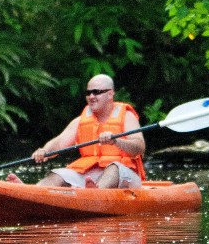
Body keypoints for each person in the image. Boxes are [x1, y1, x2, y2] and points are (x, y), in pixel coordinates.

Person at [8, 74, 146, 189]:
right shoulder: (81, 120)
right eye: (88, 93)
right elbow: (59, 143)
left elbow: (139, 147)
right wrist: (44, 151)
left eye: (96, 92)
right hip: (92, 177)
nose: (91, 96)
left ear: (110, 94)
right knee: (58, 174)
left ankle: (94, 195)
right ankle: (33, 191)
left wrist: (116, 141)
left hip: (124, 176)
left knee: (114, 167)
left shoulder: (127, 116)